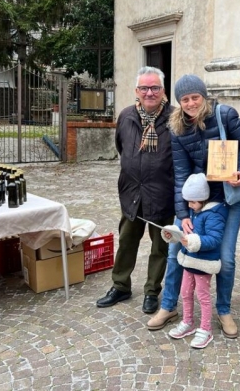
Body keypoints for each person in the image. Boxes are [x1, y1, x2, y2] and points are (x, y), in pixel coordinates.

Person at [147, 74, 240, 338]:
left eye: (195, 97)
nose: (191, 103)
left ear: (203, 96)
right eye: (185, 99)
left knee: (226, 259)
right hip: (196, 201)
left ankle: (224, 309)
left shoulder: (225, 115)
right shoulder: (177, 128)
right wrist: (183, 213)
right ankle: (169, 306)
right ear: (179, 102)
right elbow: (181, 173)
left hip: (228, 198)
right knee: (175, 253)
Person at [96, 66, 175, 315]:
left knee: (159, 246)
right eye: (144, 88)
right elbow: (122, 148)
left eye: (154, 88)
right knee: (126, 240)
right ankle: (120, 285)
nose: (149, 92)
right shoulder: (127, 116)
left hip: (162, 193)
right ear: (136, 91)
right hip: (132, 192)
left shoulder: (175, 118)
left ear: (163, 91)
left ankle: (152, 291)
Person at [163, 173, 228, 349]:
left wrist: (191, 241)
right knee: (185, 292)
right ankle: (188, 321)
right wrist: (174, 234)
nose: (189, 205)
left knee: (203, 296)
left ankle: (206, 329)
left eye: (193, 201)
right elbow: (184, 231)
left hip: (203, 263)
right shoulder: (193, 210)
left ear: (203, 198)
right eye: (188, 201)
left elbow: (214, 239)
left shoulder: (214, 214)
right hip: (188, 261)